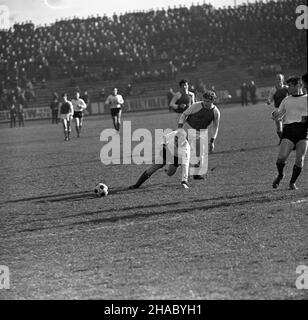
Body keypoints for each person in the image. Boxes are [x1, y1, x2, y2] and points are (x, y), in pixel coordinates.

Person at [271, 75, 307, 190]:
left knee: (300, 159)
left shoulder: (307, 98)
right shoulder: (286, 100)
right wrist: (275, 115)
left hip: (303, 131)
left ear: (299, 85)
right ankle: (280, 175)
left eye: (290, 85)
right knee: (281, 158)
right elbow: (279, 115)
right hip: (289, 131)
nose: (288, 88)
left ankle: (292, 182)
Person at [178, 90, 221, 180]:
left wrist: (212, 140)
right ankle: (175, 164)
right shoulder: (196, 105)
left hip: (201, 133)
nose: (205, 103)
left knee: (200, 155)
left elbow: (215, 127)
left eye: (208, 101)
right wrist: (180, 128)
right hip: (188, 129)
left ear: (213, 101)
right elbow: (184, 114)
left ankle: (196, 174)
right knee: (184, 151)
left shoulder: (215, 112)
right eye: (204, 100)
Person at [267, 74, 289, 140]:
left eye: (280, 78)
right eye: (277, 79)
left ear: (283, 79)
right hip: (277, 110)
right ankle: (282, 140)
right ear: (275, 80)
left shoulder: (287, 88)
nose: (278, 80)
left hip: (287, 109)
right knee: (279, 128)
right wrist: (269, 101)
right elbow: (270, 98)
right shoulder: (273, 90)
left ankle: (287, 140)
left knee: (287, 126)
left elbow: (293, 95)